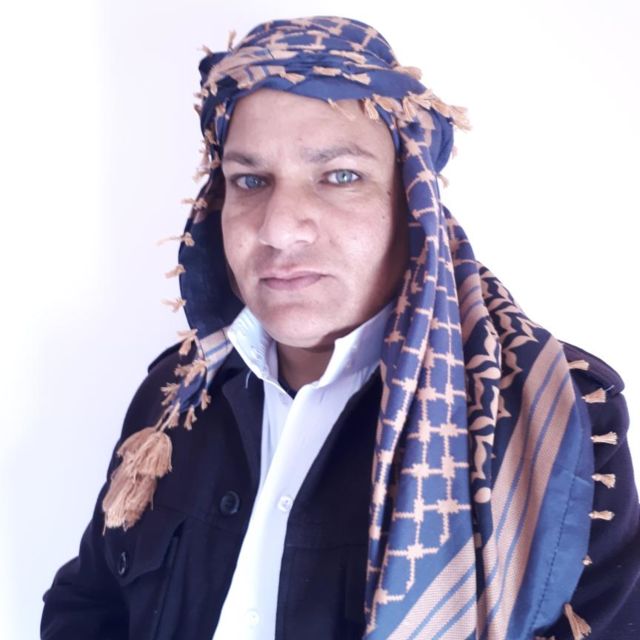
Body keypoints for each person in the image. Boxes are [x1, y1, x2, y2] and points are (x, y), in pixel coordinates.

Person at [40, 16, 639, 640]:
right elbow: (90, 602)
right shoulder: (176, 399)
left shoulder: (550, 415)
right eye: (251, 181)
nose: (279, 229)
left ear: (411, 203)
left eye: (340, 176)